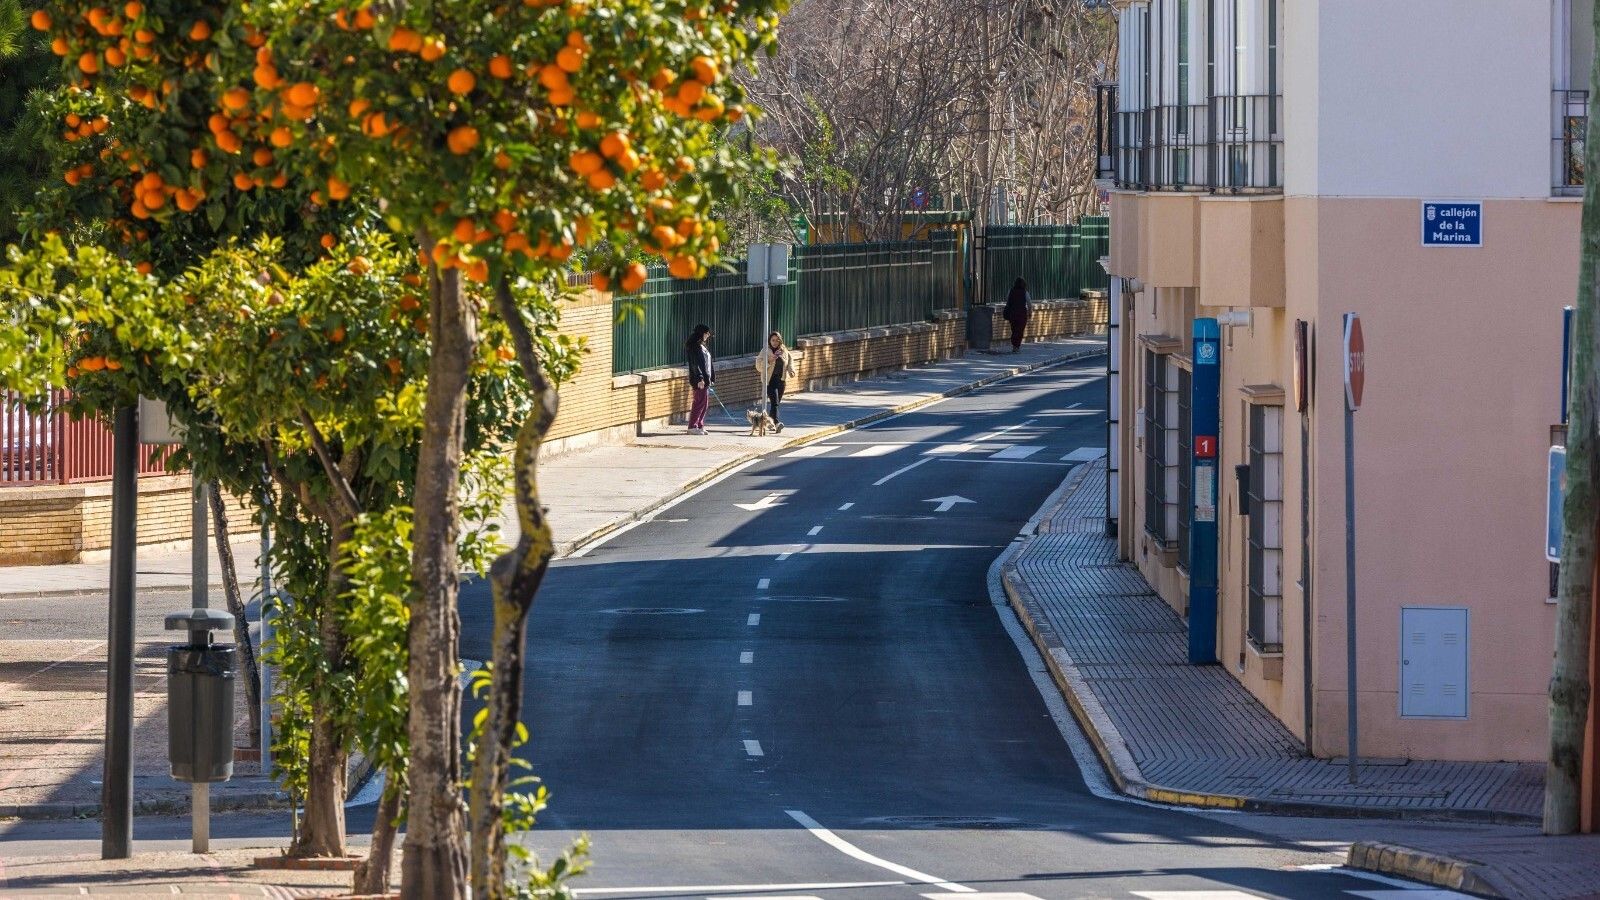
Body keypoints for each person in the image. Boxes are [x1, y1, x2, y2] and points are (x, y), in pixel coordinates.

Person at [755, 331, 797, 432]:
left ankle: (769, 423)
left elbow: (789, 360)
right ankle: (777, 423)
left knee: (776, 403)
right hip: (769, 381)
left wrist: (791, 370)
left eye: (777, 340)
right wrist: (769, 361)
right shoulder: (765, 351)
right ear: (769, 341)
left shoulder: (783, 350)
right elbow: (758, 366)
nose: (775, 342)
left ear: (780, 341)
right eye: (773, 340)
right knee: (775, 403)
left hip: (781, 380)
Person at [684, 324, 714, 435]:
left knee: (704, 404)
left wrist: (711, 377)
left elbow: (707, 363)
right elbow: (695, 364)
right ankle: (692, 426)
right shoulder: (694, 347)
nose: (708, 335)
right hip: (699, 380)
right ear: (701, 333)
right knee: (699, 403)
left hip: (706, 379)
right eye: (707, 333)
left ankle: (700, 425)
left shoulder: (702, 346)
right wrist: (700, 378)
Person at [1003, 277, 1031, 353]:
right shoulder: (1025, 292)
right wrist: (1030, 313)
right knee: (1019, 330)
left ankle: (1014, 346)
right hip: (1022, 314)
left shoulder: (1010, 291)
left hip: (1012, 313)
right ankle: (1016, 346)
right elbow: (1029, 304)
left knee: (1014, 329)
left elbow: (1007, 300)